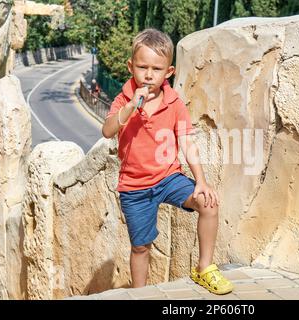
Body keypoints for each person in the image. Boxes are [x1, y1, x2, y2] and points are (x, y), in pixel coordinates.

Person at [101, 28, 233, 295]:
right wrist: (129, 109)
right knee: (141, 246)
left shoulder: (174, 103)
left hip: (168, 178)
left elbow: (187, 142)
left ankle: (204, 268)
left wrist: (201, 182)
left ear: (168, 72)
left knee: (208, 203)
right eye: (142, 67)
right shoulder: (123, 99)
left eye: (156, 69)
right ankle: (139, 293)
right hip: (135, 187)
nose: (149, 75)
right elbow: (107, 131)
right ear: (131, 66)